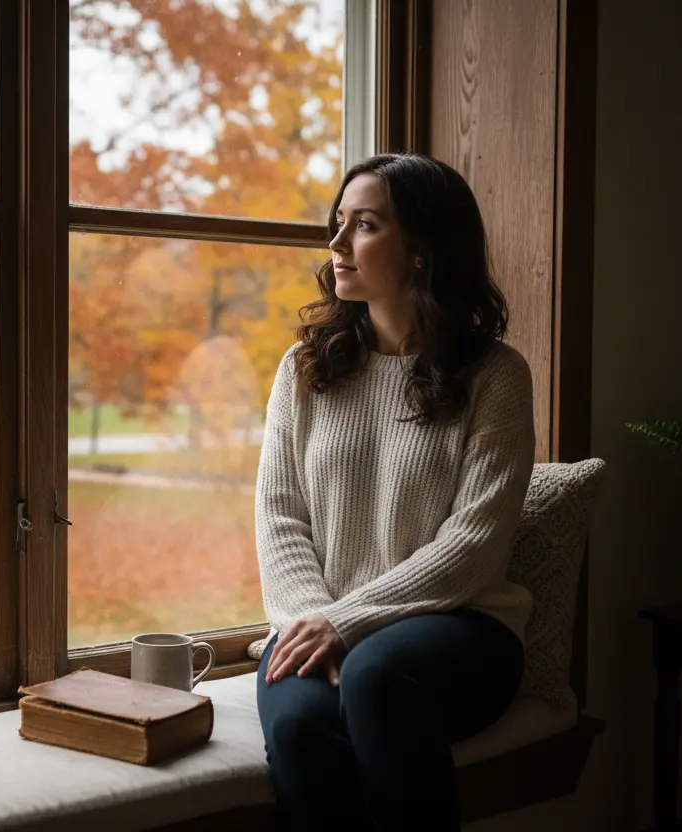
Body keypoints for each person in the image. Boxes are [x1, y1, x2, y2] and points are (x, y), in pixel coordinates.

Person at [254, 153, 534, 832]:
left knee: (376, 676)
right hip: (314, 623)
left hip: (460, 629)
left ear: (422, 251)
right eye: (338, 222)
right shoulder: (306, 367)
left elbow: (474, 543)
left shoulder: (494, 375)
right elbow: (280, 514)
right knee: (296, 727)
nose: (337, 243)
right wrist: (310, 621)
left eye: (366, 225)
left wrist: (348, 623)